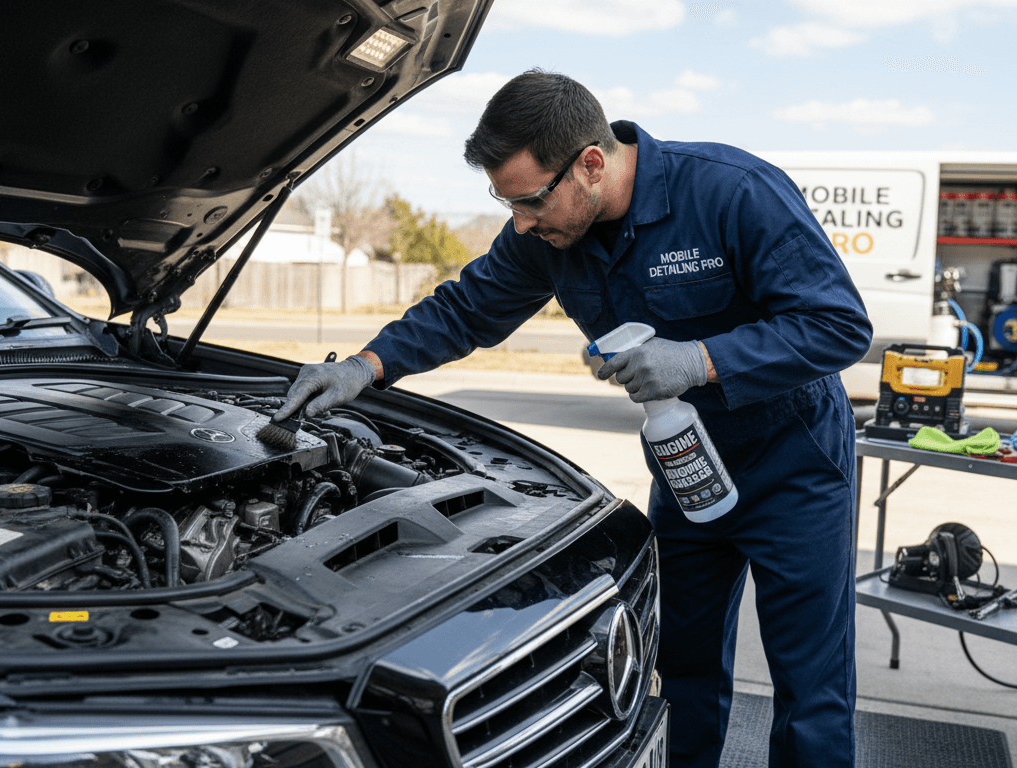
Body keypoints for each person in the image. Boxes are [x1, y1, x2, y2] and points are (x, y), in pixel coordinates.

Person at [274, 69, 872, 768]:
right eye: (507, 203)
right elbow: (467, 308)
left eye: (530, 201)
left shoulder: (732, 191)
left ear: (591, 163)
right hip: (685, 466)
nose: (521, 223)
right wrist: (365, 367)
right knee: (680, 668)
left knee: (810, 686)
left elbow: (838, 325)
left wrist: (701, 360)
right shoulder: (548, 231)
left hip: (794, 467)